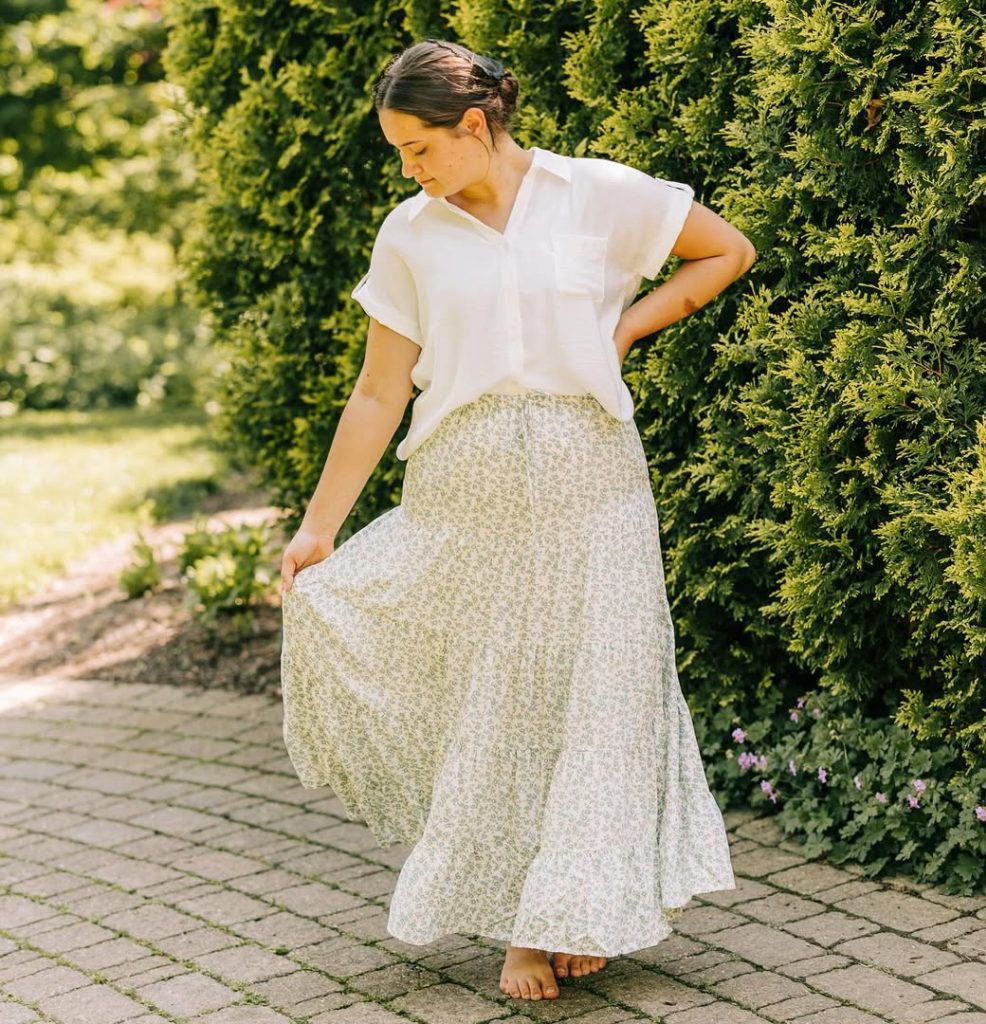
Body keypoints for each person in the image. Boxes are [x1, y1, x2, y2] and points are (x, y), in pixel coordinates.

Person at [279, 37, 754, 1003]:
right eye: (399, 156)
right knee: (497, 703)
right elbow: (377, 395)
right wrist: (317, 527)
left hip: (596, 486)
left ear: (476, 124)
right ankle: (522, 925)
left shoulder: (595, 193)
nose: (409, 171)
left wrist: (622, 328)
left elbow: (727, 251)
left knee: (601, 696)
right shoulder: (409, 234)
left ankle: (571, 905)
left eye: (419, 149)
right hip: (466, 494)